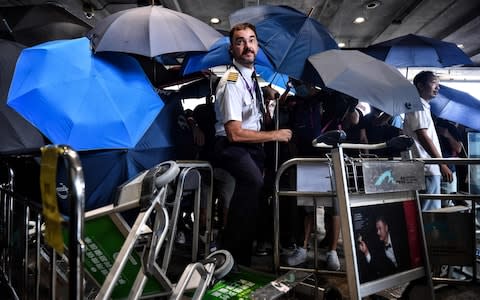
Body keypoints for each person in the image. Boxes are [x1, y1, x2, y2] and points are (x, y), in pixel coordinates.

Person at [213, 22, 292, 266]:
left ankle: (243, 258)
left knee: (259, 196)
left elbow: (256, 120)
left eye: (251, 40)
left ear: (257, 45)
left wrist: (268, 102)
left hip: (252, 147)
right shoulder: (231, 82)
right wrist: (275, 135)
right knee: (252, 182)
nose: (247, 46)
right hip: (230, 146)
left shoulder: (252, 80)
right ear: (232, 50)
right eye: (240, 41)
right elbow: (234, 133)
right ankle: (228, 255)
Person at [403, 71, 453, 211]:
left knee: (428, 210)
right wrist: (441, 163)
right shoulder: (417, 104)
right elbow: (423, 136)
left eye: (438, 84)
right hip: (426, 168)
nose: (437, 87)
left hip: (426, 167)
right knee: (428, 213)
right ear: (420, 85)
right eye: (433, 83)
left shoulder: (422, 105)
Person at [357, 216, 410, 281]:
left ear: (386, 228)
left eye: (380, 229)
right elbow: (376, 267)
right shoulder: (379, 247)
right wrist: (366, 252)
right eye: (377, 229)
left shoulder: (399, 239)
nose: (378, 232)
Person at [435, 118, 463, 207]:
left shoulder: (450, 128)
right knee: (433, 204)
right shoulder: (429, 126)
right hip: (432, 170)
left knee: (447, 203)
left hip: (448, 170)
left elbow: (458, 148)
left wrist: (447, 135)